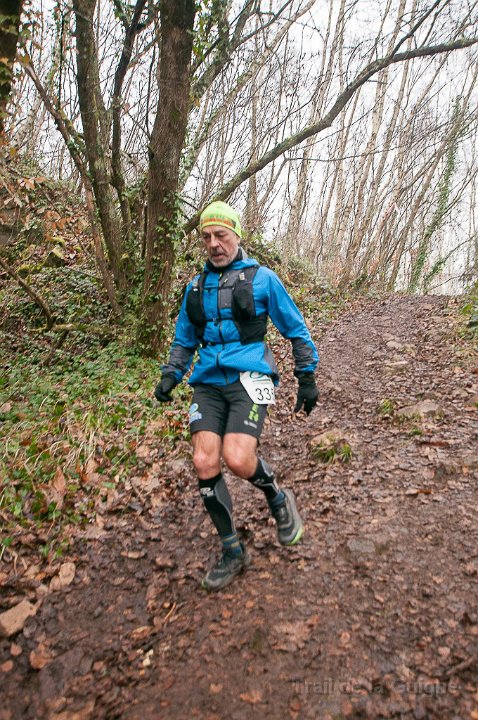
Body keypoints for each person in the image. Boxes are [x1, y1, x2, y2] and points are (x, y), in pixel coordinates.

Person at [155, 201, 319, 591]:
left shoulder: (263, 279)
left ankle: (277, 498)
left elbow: (295, 328)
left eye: (221, 235)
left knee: (238, 457)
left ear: (236, 235)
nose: (214, 244)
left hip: (249, 377)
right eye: (206, 237)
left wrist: (306, 375)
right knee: (203, 459)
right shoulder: (195, 288)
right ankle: (231, 550)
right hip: (208, 382)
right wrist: (171, 374)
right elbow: (184, 339)